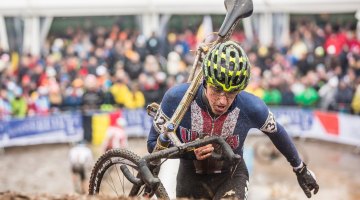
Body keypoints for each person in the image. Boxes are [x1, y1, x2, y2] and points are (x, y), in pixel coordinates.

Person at [147, 40, 319, 199]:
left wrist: (300, 169)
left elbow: (277, 133)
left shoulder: (252, 106)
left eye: (231, 93)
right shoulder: (177, 99)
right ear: (205, 81)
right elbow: (153, 144)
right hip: (190, 178)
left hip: (232, 176)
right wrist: (189, 152)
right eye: (216, 90)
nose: (222, 101)